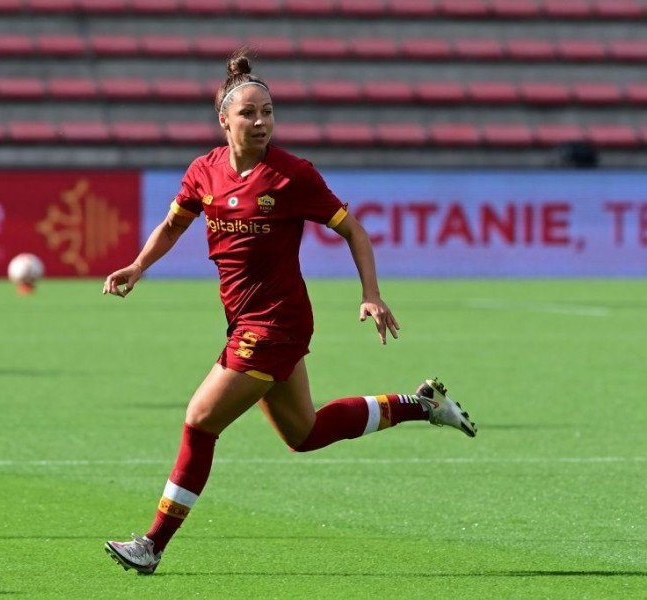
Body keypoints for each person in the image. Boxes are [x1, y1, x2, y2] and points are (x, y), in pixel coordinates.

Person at [102, 49, 477, 575]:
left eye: (268, 113)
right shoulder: (204, 171)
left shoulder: (293, 175)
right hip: (245, 321)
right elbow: (173, 224)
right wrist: (139, 266)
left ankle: (153, 544)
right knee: (304, 434)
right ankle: (420, 405)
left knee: (199, 422)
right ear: (224, 120)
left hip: (276, 324)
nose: (261, 122)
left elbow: (354, 230)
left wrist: (370, 293)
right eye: (249, 114)